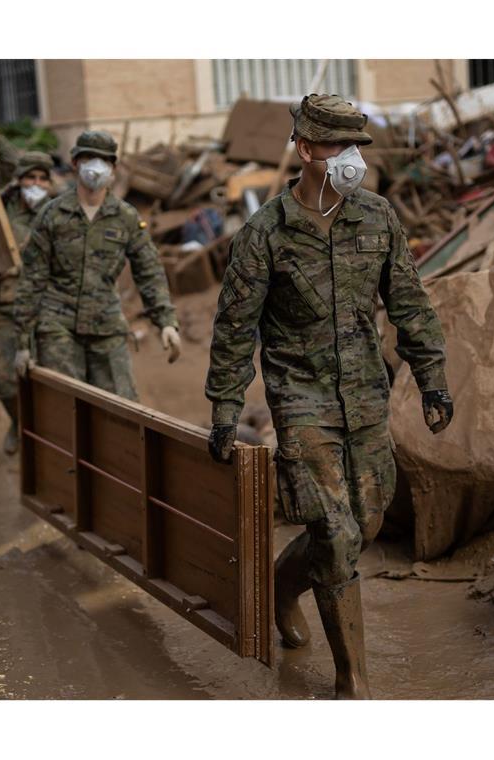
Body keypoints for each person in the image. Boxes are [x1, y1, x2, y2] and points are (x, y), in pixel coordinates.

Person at [204, 95, 454, 699]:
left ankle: (278, 588)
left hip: (366, 394)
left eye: (357, 148)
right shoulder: (264, 234)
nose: (352, 159)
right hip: (302, 400)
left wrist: (432, 378)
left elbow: (409, 303)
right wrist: (226, 408)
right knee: (337, 533)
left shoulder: (377, 217)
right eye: (339, 147)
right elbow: (235, 329)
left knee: (364, 522)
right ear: (307, 150)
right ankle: (354, 684)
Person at [13, 130, 181, 400]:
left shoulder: (125, 217)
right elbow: (32, 279)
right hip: (58, 325)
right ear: (75, 163)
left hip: (107, 324)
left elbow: (149, 270)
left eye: (103, 160)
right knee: (63, 405)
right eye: (88, 157)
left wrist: (166, 322)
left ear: (113, 168)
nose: (95, 166)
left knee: (122, 406)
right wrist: (23, 341)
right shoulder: (52, 215)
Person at [0, 149, 51, 454]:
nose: (36, 183)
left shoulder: (58, 212)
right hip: (0, 303)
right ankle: (18, 421)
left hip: (43, 305)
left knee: (47, 376)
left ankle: (45, 437)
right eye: (29, 177)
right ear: (18, 180)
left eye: (42, 178)